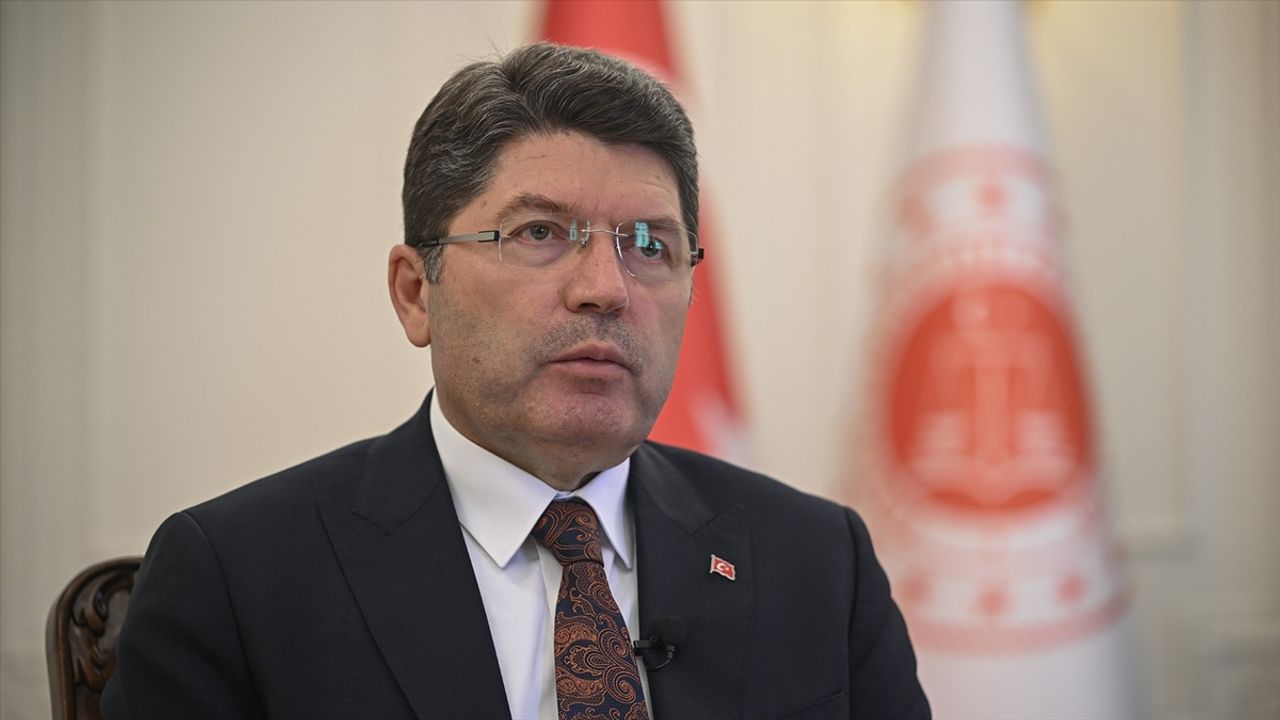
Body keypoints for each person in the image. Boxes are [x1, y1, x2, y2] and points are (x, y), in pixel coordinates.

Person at [102, 42, 929, 720]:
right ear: (416, 292)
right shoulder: (238, 576)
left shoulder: (819, 562)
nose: (606, 288)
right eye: (539, 232)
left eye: (650, 244)